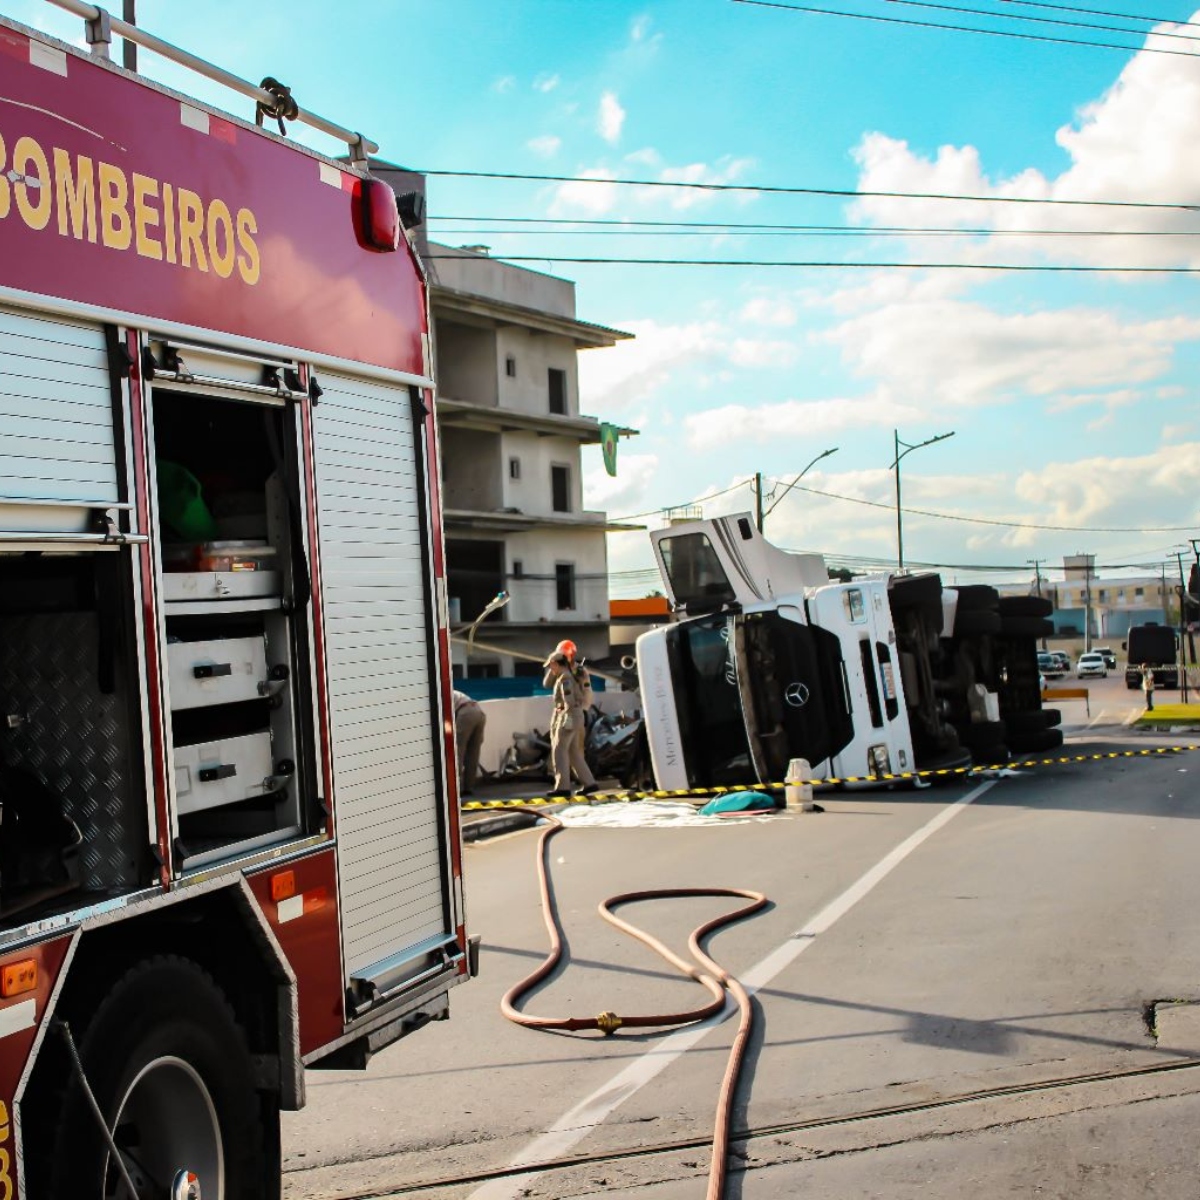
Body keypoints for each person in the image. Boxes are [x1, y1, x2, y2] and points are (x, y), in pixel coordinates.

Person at [544, 650, 598, 798]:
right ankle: (590, 783)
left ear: (555, 664)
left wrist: (566, 722)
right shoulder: (570, 676)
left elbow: (569, 703)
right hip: (576, 716)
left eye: (551, 666)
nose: (551, 669)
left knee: (559, 750)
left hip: (569, 716)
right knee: (574, 752)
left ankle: (562, 787)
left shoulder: (564, 679)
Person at [452, 690, 486, 796]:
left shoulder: (439, 693)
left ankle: (455, 788)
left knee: (457, 751)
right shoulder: (453, 692)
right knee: (473, 753)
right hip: (478, 711)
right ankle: (469, 787)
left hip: (465, 712)